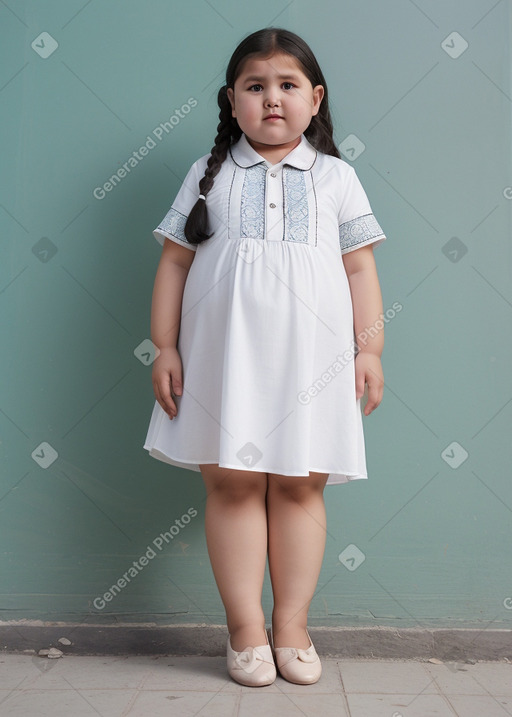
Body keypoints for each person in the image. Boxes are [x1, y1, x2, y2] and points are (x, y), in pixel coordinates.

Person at [143, 27, 387, 687]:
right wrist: (164, 345)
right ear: (232, 100)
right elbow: (174, 261)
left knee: (302, 482)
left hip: (315, 359)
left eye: (286, 86)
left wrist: (370, 350)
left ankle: (292, 627)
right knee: (234, 481)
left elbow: (360, 270)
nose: (271, 99)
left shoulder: (337, 177)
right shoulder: (207, 174)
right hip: (225, 358)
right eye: (255, 86)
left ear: (315, 98)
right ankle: (246, 628)